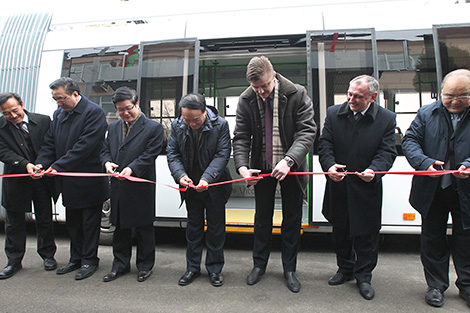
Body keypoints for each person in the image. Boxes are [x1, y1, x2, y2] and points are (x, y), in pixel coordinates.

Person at [232, 56, 316, 293]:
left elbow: (307, 132)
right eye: (256, 87)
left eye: (265, 86)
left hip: (291, 167)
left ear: (274, 75)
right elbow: (240, 137)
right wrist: (242, 168)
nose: (261, 92)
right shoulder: (246, 98)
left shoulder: (297, 93)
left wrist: (289, 160)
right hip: (262, 167)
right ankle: (259, 266)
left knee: (292, 219)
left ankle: (289, 269)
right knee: (262, 219)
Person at [318, 75, 397, 300]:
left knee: (367, 236)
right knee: (340, 231)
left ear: (372, 97)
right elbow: (325, 144)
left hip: (366, 187)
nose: (351, 100)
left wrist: (375, 170)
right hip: (339, 185)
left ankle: (363, 276)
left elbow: (387, 152)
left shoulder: (386, 119)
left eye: (358, 97)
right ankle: (344, 269)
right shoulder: (334, 113)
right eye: (350, 94)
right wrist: (329, 166)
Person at [402, 69, 470, 308]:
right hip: (432, 189)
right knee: (432, 239)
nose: (453, 100)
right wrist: (424, 162)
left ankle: (467, 286)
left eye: (460, 96)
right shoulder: (426, 113)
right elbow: (409, 140)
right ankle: (435, 286)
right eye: (448, 95)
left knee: (466, 240)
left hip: (466, 190)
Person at [34, 77, 109, 280]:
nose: (58, 103)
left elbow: (85, 146)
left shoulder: (93, 112)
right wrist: (42, 163)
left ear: (75, 94)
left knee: (89, 223)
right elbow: (50, 142)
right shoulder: (59, 114)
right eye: (55, 99)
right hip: (67, 180)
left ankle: (89, 260)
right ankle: (75, 258)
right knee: (73, 222)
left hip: (88, 180)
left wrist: (57, 166)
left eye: (61, 98)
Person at [167, 93, 231, 287]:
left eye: (195, 120)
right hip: (190, 187)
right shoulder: (178, 126)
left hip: (214, 187)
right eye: (186, 119)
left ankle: (214, 269)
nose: (191, 124)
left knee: (215, 229)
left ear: (205, 112)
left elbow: (222, 154)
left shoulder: (220, 125)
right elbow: (173, 153)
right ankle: (192, 268)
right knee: (193, 229)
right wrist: (180, 176)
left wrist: (207, 178)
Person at [101, 87, 164, 283]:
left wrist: (131, 169)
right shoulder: (112, 127)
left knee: (144, 228)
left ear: (137, 104)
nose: (125, 113)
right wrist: (107, 162)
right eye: (120, 110)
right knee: (120, 228)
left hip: (140, 185)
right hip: (118, 186)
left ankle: (145, 266)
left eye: (128, 108)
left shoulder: (153, 128)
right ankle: (119, 265)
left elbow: (149, 155)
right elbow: (104, 150)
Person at [0, 92, 57, 279]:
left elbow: (50, 145)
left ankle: (48, 255)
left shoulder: (43, 121)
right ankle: (13, 261)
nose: (13, 116)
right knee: (14, 223)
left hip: (41, 179)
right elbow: (4, 152)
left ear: (22, 104)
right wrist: (25, 165)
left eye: (15, 110)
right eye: (7, 113)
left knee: (45, 219)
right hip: (16, 179)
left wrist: (40, 164)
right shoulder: (1, 127)